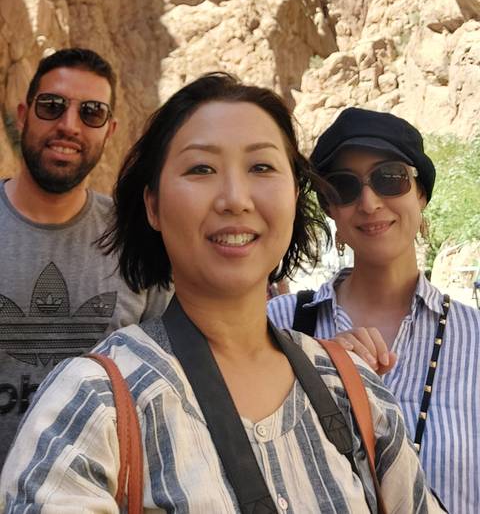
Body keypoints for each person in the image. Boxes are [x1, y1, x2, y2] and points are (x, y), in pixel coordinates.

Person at [0, 74, 443, 512]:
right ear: (153, 205)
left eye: (261, 167)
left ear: (294, 194)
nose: (235, 198)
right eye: (201, 169)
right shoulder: (94, 403)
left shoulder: (354, 390)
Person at [268, 106, 480, 514]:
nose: (368, 201)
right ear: (330, 209)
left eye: (390, 178)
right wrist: (317, 370)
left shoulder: (473, 338)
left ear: (420, 193)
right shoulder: (278, 325)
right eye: (343, 187)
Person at [0, 47, 168, 468]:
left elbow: (162, 380)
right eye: (51, 106)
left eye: (90, 112)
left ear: (109, 131)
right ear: (23, 115)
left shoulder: (136, 239)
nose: (68, 126)